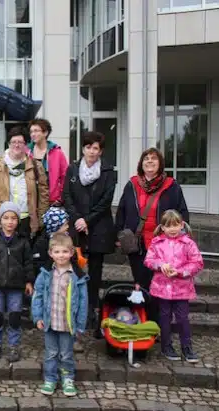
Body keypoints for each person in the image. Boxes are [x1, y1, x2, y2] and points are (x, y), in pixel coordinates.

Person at [115, 148, 189, 306]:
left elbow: (182, 212)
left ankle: (158, 322)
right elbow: (121, 210)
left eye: (153, 158)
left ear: (160, 163)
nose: (149, 161)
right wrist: (118, 234)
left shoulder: (172, 186)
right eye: (146, 158)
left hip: (162, 244)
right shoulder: (132, 185)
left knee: (159, 285)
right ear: (141, 164)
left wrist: (182, 239)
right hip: (137, 244)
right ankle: (145, 323)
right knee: (141, 284)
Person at [62, 131, 116, 334]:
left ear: (100, 151)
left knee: (95, 273)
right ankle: (75, 309)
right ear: (83, 149)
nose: (91, 151)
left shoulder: (108, 171)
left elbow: (106, 201)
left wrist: (88, 220)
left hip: (99, 227)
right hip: (77, 228)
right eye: (88, 147)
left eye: (95, 148)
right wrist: (77, 219)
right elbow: (67, 195)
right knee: (75, 268)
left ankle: (92, 311)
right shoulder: (73, 169)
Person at [32, 233, 89, 397]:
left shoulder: (77, 277)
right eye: (57, 252)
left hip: (67, 323)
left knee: (66, 353)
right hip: (50, 322)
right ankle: (50, 378)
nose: (61, 255)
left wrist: (80, 324)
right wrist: (37, 316)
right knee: (51, 353)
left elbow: (83, 302)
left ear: (71, 252)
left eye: (64, 252)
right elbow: (38, 296)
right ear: (51, 253)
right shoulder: (45, 274)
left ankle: (67, 378)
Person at [144, 210, 203, 363]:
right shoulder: (157, 242)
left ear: (181, 225)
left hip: (182, 289)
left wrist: (181, 272)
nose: (172, 229)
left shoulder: (188, 243)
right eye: (168, 226)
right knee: (164, 318)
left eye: (175, 225)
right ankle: (166, 345)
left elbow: (197, 263)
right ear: (162, 227)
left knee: (183, 318)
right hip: (162, 288)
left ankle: (187, 347)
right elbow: (149, 260)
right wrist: (160, 265)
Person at [0, 202, 34, 363]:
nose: (9, 222)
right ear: (0, 220)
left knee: (14, 316)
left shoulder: (23, 241)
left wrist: (29, 281)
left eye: (13, 218)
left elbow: (28, 263)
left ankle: (13, 345)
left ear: (17, 221)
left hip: (16, 286)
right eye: (6, 218)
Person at [32, 206, 85, 353]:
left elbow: (73, 260)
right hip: (50, 282)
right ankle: (52, 339)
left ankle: (72, 338)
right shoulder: (42, 243)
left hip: (67, 280)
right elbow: (37, 264)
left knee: (68, 310)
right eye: (65, 224)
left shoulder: (68, 239)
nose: (68, 226)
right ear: (56, 226)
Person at [27, 119, 69, 206]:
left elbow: (66, 176)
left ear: (45, 133)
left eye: (36, 131)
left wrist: (60, 197)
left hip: (51, 201)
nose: (33, 134)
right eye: (31, 132)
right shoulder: (26, 152)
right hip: (30, 200)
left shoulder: (57, 152)